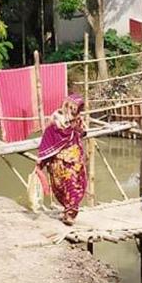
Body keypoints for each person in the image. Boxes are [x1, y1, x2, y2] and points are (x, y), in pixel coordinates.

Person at [37, 94, 88, 225]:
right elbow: (47, 140)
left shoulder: (78, 119)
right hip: (59, 162)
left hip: (75, 161)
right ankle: (68, 212)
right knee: (63, 187)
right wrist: (41, 161)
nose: (76, 110)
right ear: (67, 105)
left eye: (78, 108)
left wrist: (77, 126)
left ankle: (69, 213)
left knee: (75, 187)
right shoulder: (56, 119)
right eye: (74, 107)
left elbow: (83, 132)